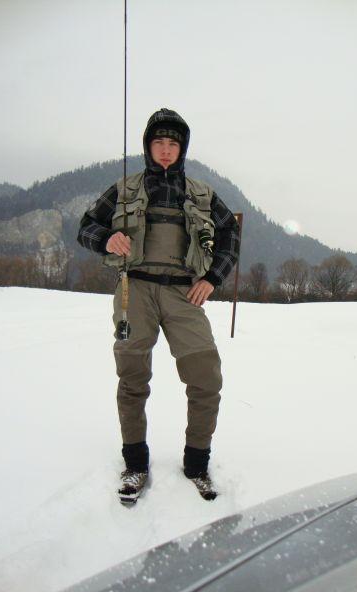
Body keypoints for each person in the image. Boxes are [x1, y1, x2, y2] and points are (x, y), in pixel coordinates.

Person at [77, 108, 240, 502]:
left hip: (184, 294)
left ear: (182, 149)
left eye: (173, 143)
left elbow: (230, 234)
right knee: (132, 379)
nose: (166, 149)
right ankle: (135, 464)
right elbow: (86, 226)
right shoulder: (125, 189)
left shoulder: (201, 194)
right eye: (158, 142)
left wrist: (212, 278)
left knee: (206, 379)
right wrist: (106, 239)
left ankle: (197, 464)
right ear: (148, 146)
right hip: (135, 290)